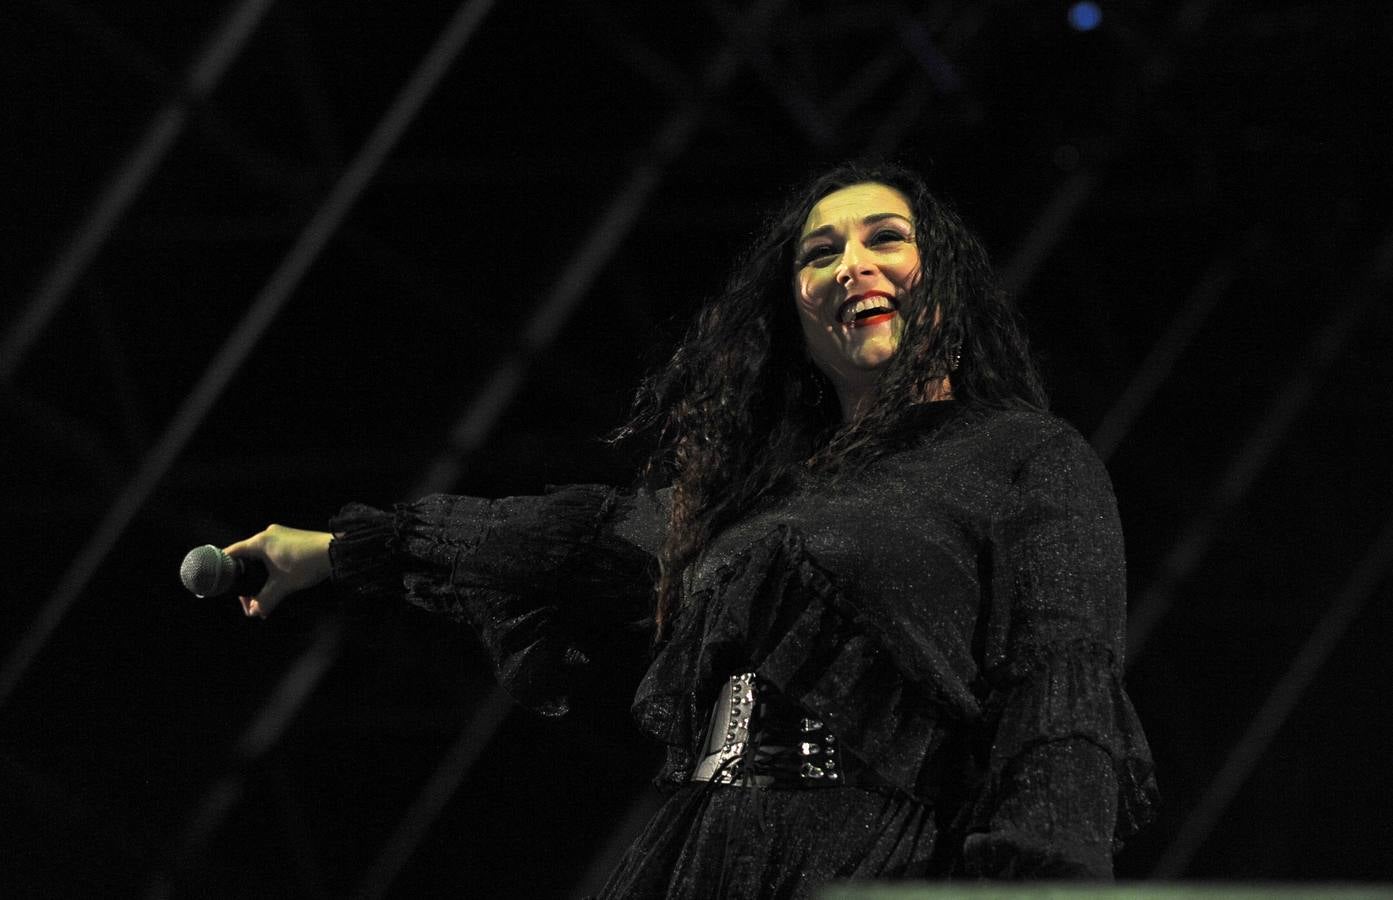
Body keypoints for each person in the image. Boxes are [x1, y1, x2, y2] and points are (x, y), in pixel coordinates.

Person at [225, 161, 1158, 894]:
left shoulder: (1025, 454)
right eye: (818, 253)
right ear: (796, 315)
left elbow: (1059, 682)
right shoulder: (754, 503)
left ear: (944, 281)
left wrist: (1042, 882)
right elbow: (567, 545)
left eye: (885, 237)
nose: (850, 265)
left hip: (878, 858)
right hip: (703, 852)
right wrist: (337, 551)